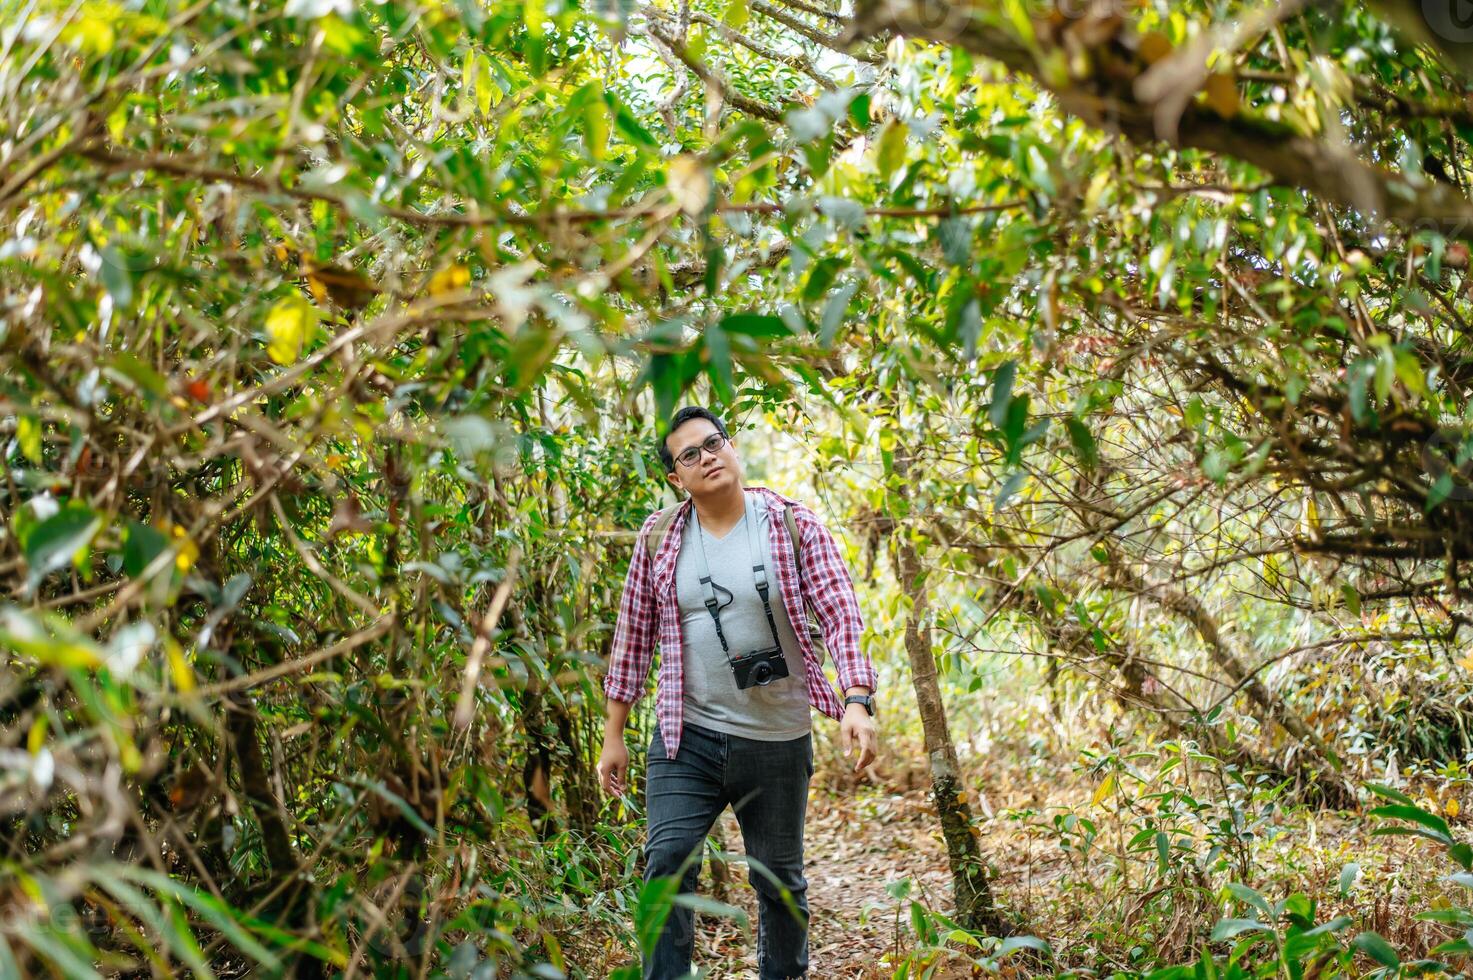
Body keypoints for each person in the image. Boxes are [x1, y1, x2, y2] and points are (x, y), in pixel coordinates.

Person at [598, 406, 880, 980]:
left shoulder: (792, 525)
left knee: (778, 881)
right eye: (689, 455)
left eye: (714, 443)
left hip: (776, 738)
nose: (707, 458)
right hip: (687, 735)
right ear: (676, 478)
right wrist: (613, 735)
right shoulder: (658, 540)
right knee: (668, 865)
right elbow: (632, 639)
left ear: (731, 448)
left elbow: (842, 615)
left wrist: (856, 698)